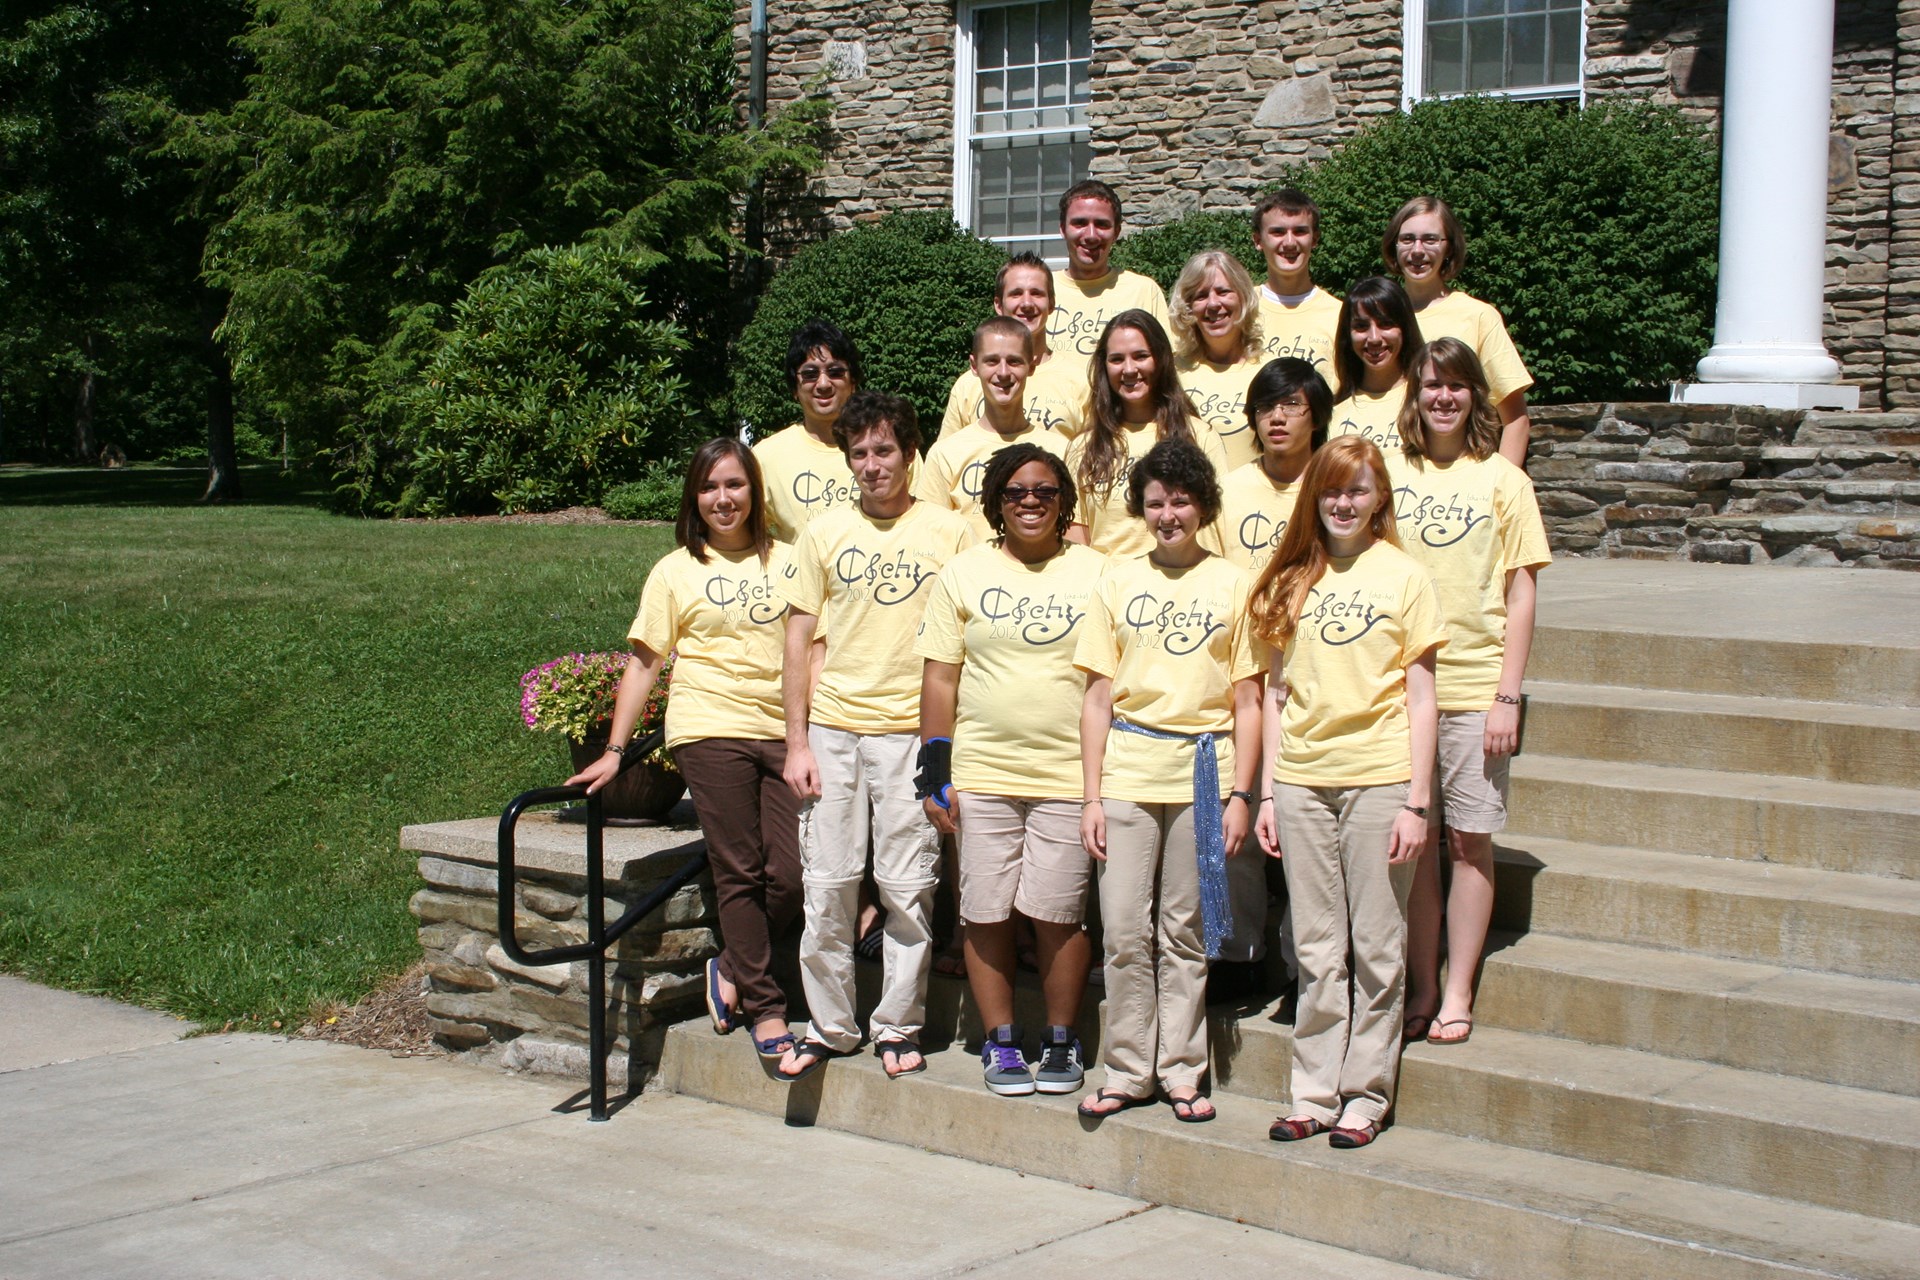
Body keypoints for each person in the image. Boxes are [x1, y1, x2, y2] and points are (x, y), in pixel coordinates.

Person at [568, 440, 801, 1061]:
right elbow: (645, 663)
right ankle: (766, 1008)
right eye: (709, 487)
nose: (723, 499)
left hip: (785, 732)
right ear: (694, 498)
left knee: (792, 872)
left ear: (755, 491)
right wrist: (615, 749)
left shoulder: (792, 561)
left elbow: (815, 647)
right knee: (739, 867)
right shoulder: (675, 571)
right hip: (709, 727)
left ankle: (731, 966)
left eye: (734, 485)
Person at [774, 391, 976, 1082]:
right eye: (858, 453)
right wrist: (797, 741)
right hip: (833, 729)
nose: (871, 464)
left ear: (910, 454)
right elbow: (798, 638)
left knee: (907, 888)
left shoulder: (951, 532)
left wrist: (947, 748)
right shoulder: (823, 533)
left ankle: (897, 1025)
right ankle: (830, 1025)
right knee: (827, 885)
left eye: (884, 450)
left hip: (911, 736)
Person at [1252, 434, 1443, 1149]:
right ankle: (1313, 1093)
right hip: (1302, 781)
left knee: (1377, 945)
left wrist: (1417, 802)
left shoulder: (1406, 577)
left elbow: (1421, 698)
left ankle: (1366, 1095)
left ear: (1379, 497)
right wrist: (1268, 793)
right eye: (1331, 490)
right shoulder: (1289, 579)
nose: (1343, 503)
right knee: (1315, 945)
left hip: (1380, 779)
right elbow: (1275, 694)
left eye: (1357, 489)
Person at [1074, 440, 1265, 1124]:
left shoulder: (1235, 584)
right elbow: (1097, 696)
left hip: (1206, 776)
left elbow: (1250, 701)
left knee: (1186, 929)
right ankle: (1128, 1070)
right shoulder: (1116, 580)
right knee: (1125, 930)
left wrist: (1242, 795)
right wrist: (1091, 797)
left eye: (1180, 501)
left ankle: (1182, 1070)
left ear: (1203, 505)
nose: (1168, 515)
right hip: (1128, 771)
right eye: (1155, 502)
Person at [916, 443, 1104, 1097]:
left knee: (1059, 915)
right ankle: (1000, 1042)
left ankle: (1060, 1038)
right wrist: (934, 772)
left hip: (1068, 777)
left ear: (1064, 501)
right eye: (1016, 491)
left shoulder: (1098, 572)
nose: (1030, 501)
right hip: (982, 774)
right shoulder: (963, 573)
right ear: (996, 501)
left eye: (1045, 491)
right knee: (985, 912)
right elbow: (940, 678)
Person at [1391, 338, 1551, 1049]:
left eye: (1457, 385)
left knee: (1468, 840)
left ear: (1475, 397)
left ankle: (1458, 989)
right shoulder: (1389, 472)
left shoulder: (1504, 481)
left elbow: (1521, 593)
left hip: (1474, 685)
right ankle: (1422, 986)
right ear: (1415, 394)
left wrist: (1507, 696)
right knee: (1416, 843)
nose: (1444, 397)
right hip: (1399, 692)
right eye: (1431, 385)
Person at [1213, 357, 1330, 990]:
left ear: (1316, 415)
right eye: (1265, 407)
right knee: (1236, 814)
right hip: (1240, 672)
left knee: (1303, 822)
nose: (1276, 418)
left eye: (1291, 406)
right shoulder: (1230, 490)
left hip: (1314, 673)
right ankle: (1239, 954)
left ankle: (1304, 965)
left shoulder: (1333, 484)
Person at [1065, 311, 1231, 560]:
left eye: (1141, 356)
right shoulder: (1083, 448)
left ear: (1161, 359)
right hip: (1110, 583)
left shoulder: (1200, 437)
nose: (1129, 369)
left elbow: (1218, 528)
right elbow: (1077, 544)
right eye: (1117, 359)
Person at [1383, 196, 1532, 465]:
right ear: (1394, 246)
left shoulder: (1477, 316)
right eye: (1407, 239)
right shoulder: (1377, 321)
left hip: (1460, 475)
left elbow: (1515, 419)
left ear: (1449, 247)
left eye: (1430, 239)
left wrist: (1503, 483)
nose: (1417, 250)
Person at [753, 319, 920, 544]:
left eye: (835, 372)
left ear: (853, 381)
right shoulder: (765, 457)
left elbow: (923, 523)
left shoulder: (894, 448)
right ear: (794, 387)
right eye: (810, 374)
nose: (823, 383)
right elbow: (750, 540)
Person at [918, 317, 1072, 537]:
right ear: (974, 366)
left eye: (1014, 361)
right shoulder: (945, 454)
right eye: (991, 361)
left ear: (1031, 366)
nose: (1003, 372)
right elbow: (931, 535)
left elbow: (1071, 531)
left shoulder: (1060, 450)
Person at [939, 253, 1089, 441]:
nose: (1026, 303)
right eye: (1016, 293)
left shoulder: (1080, 383)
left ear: (1051, 304)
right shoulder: (968, 385)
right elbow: (949, 453)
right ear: (998, 305)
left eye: (1036, 293)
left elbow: (1093, 455)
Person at [1048, 181, 1172, 377]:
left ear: (1116, 232)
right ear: (1063, 229)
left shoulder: (1143, 291)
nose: (1091, 235)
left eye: (1101, 224)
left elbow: (1166, 366)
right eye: (1080, 223)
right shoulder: (1039, 292)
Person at [1171, 250, 1267, 470]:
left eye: (1223, 292)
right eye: (1201, 296)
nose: (1213, 304)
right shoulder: (1171, 372)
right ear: (1188, 306)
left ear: (1243, 297)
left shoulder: (1268, 370)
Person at [1253, 188, 1343, 382]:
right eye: (1278, 232)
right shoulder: (1240, 310)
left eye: (1300, 231)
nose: (1289, 242)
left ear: (1314, 239)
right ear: (1258, 240)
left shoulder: (1340, 314)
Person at [1329, 276, 1425, 453]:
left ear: (1405, 328)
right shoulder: (1331, 414)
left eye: (1386, 324)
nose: (1374, 338)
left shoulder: (1428, 402)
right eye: (1361, 326)